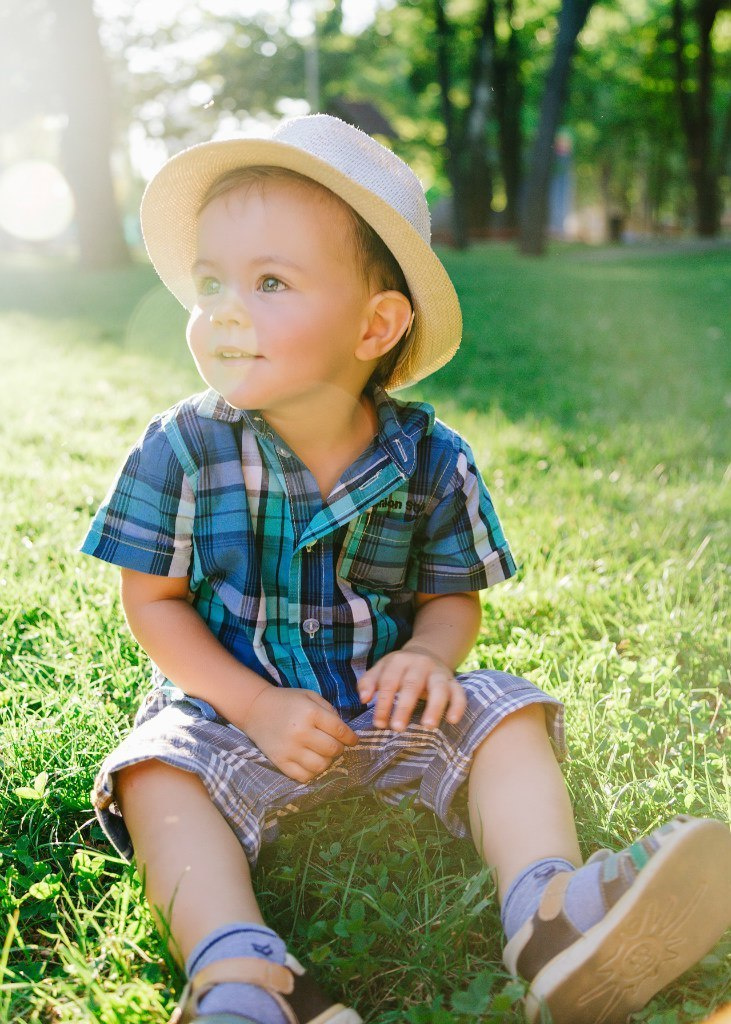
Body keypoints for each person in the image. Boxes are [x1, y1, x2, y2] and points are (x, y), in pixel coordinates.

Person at [80, 114, 731, 1024]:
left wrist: (428, 655)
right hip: (232, 714)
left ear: (374, 325)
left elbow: (449, 599)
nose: (223, 311)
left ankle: (546, 913)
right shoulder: (182, 448)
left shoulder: (431, 459)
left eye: (268, 282)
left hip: (387, 712)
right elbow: (150, 604)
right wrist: (252, 704)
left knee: (504, 711)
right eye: (210, 283)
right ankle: (241, 970)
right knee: (156, 772)